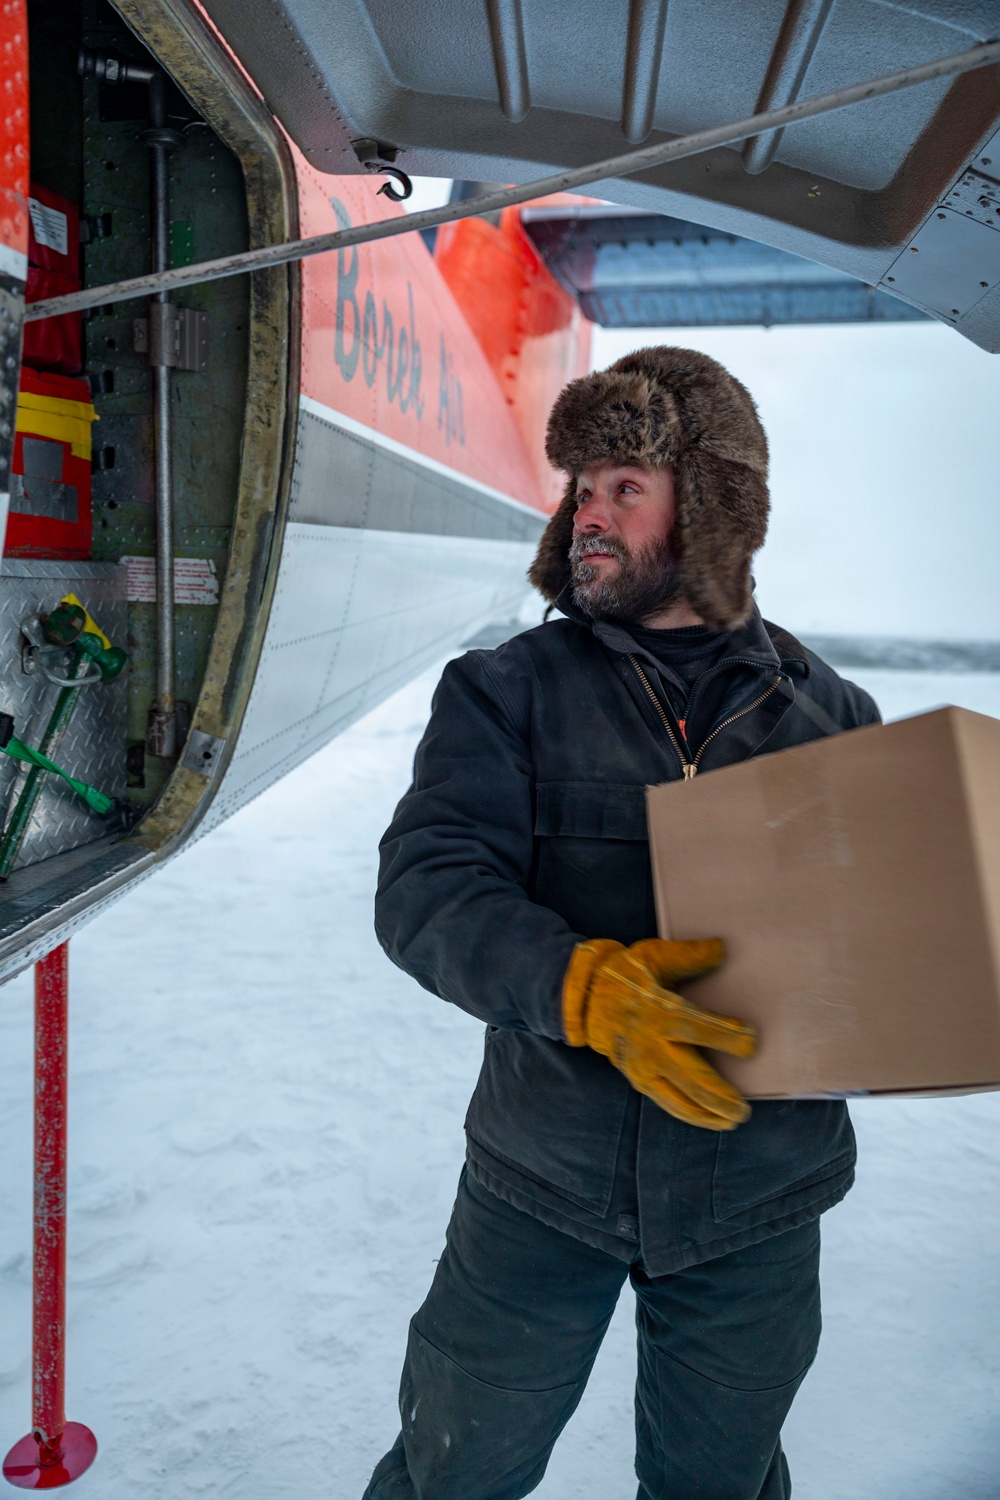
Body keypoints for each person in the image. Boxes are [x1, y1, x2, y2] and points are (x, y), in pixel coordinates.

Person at [364, 347, 880, 1500]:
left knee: (723, 1485)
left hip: (758, 1198)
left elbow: (875, 943)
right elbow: (428, 887)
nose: (585, 516)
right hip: (541, 1184)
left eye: (621, 490)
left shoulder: (832, 716)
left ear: (707, 511)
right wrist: (581, 987)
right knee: (453, 1470)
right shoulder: (507, 689)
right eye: (579, 490)